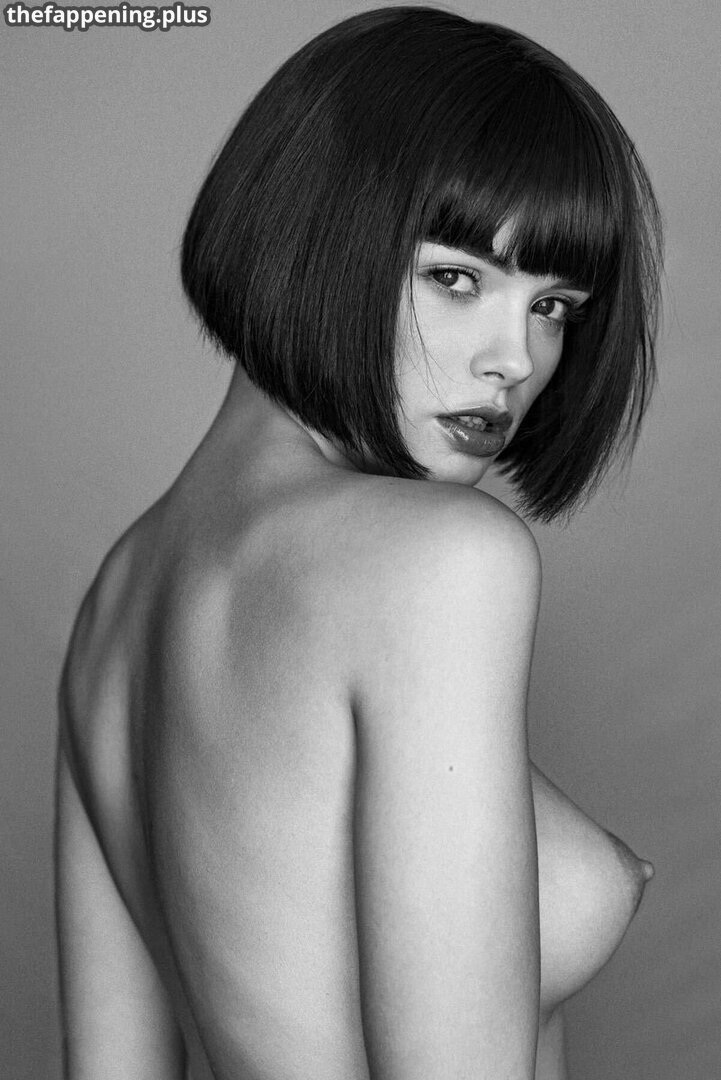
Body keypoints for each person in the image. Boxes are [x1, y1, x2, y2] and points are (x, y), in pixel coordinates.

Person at [55, 7, 663, 1079]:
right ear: (311, 236)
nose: (515, 360)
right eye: (457, 279)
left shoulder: (117, 601)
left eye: (554, 306)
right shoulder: (444, 562)